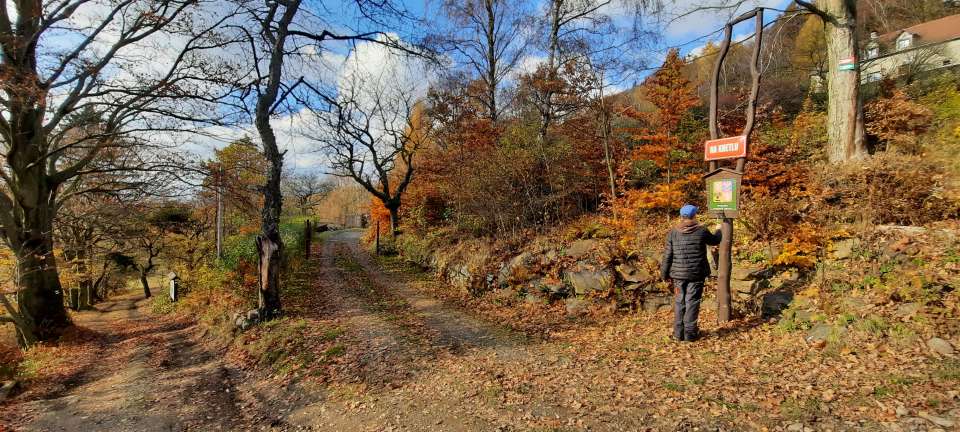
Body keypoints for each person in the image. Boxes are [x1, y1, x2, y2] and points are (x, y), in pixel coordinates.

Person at [660, 204, 722, 342]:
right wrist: (719, 229)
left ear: (681, 217)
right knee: (692, 302)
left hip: (678, 276)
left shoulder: (673, 232)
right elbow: (716, 240)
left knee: (679, 302)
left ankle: (678, 334)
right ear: (694, 216)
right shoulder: (702, 231)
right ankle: (690, 334)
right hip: (696, 274)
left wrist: (664, 274)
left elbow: (667, 255)